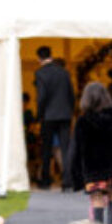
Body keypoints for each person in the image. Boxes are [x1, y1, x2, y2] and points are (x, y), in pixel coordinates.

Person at [70, 81, 112, 224]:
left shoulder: (83, 121)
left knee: (97, 198)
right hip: (111, 165)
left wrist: (74, 175)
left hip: (92, 168)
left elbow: (77, 149)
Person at [35, 45, 75, 190]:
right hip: (65, 114)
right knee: (65, 148)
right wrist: (70, 111)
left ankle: (46, 180)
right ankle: (67, 181)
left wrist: (39, 115)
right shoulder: (64, 72)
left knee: (46, 149)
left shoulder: (40, 73)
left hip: (48, 115)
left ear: (39, 58)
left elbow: (42, 97)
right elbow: (71, 94)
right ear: (50, 55)